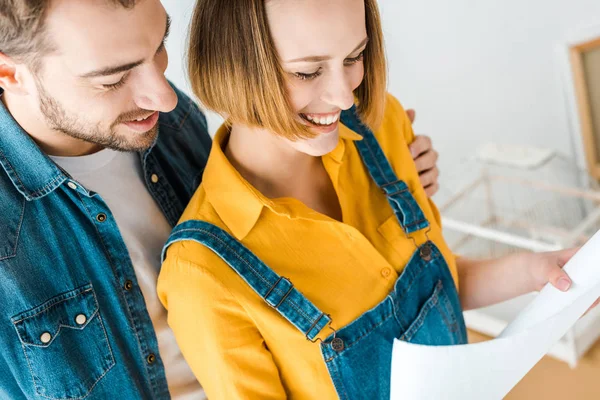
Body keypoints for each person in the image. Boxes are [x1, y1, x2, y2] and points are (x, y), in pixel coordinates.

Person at [0, 0, 441, 398]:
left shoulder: (169, 125)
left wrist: (389, 181)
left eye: (159, 48)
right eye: (114, 79)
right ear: (9, 74)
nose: (167, 97)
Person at [157, 0, 581, 399]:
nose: (343, 97)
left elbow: (438, 282)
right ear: (231, 67)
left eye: (353, 57)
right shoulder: (202, 275)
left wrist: (534, 272)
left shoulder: (383, 125)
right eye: (307, 73)